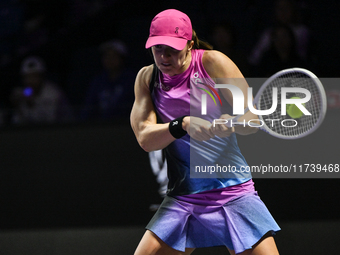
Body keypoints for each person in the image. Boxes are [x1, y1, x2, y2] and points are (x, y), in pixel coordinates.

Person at [130, 9, 280, 255]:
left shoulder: (212, 62)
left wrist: (231, 121)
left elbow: (252, 117)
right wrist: (184, 124)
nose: (164, 56)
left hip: (232, 190)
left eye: (172, 49)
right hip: (184, 196)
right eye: (158, 49)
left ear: (189, 45)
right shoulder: (147, 78)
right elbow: (145, 139)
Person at [81, 39, 135, 121]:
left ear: (122, 59)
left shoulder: (131, 80)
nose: (110, 60)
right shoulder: (98, 81)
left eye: (114, 56)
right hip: (102, 126)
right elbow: (89, 107)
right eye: (107, 56)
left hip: (125, 125)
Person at [10, 56, 73, 125]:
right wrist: (18, 107)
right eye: (27, 77)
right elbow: (18, 124)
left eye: (34, 76)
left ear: (42, 76)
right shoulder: (22, 93)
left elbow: (48, 123)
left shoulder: (53, 93)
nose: (30, 81)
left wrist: (32, 105)